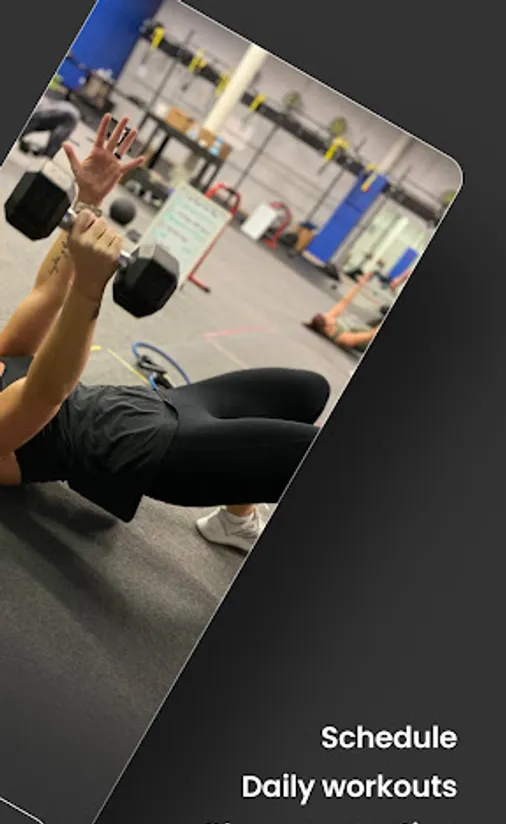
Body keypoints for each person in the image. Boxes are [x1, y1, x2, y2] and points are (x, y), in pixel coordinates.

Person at [0, 115, 329, 555]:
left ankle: (234, 521)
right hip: (145, 454)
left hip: (147, 404)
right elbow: (45, 392)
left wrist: (88, 204)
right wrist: (90, 286)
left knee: (306, 392)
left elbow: (45, 293)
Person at [304, 272, 390, 353]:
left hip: (364, 328)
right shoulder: (343, 339)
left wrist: (360, 285)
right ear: (327, 327)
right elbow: (371, 335)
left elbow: (344, 302)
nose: (328, 314)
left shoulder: (329, 324)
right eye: (327, 316)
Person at [19, 94, 81, 159]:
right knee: (55, 141)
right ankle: (45, 153)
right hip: (64, 109)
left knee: (54, 144)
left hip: (69, 115)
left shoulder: (36, 114)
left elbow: (28, 127)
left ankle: (45, 156)